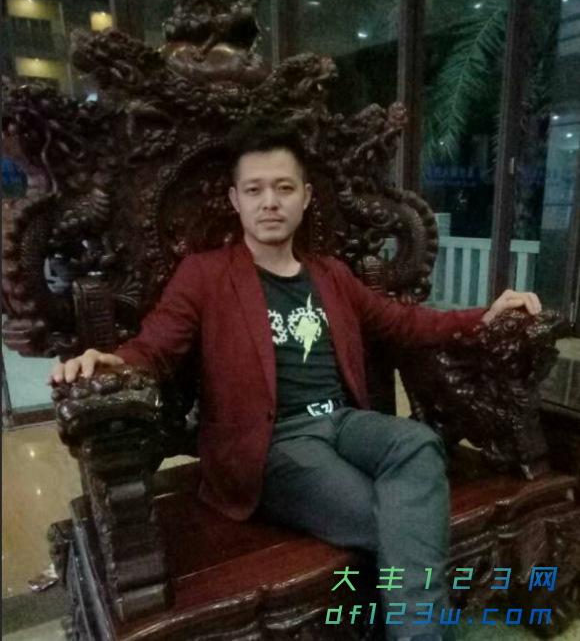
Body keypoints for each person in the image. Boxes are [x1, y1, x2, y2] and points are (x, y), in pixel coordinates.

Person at [49, 120, 542, 641]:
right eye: (255, 190)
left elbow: (404, 322)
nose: (270, 202)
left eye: (283, 188)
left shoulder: (332, 275)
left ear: (304, 197)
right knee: (394, 519)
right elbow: (156, 346)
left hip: (343, 422)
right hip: (274, 445)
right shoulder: (205, 274)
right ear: (235, 200)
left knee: (418, 443)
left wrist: (485, 315)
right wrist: (111, 361)